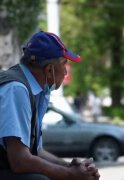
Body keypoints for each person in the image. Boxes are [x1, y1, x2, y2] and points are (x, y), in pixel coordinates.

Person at [0, 31, 100, 180]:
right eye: (64, 64)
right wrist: (70, 175)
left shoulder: (37, 91)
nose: (66, 71)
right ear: (49, 70)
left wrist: (69, 167)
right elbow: (19, 161)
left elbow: (36, 151)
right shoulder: (17, 89)